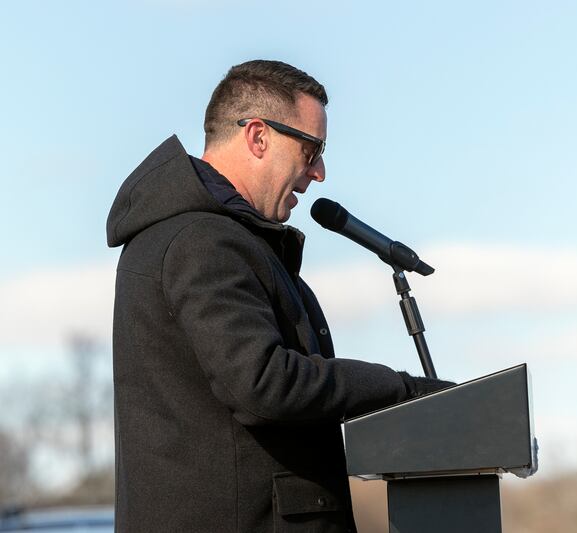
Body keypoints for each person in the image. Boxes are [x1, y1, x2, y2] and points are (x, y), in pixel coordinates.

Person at [106, 60, 452, 533]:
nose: (320, 172)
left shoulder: (210, 237)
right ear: (258, 137)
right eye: (312, 150)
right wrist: (401, 390)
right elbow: (264, 384)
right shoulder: (202, 241)